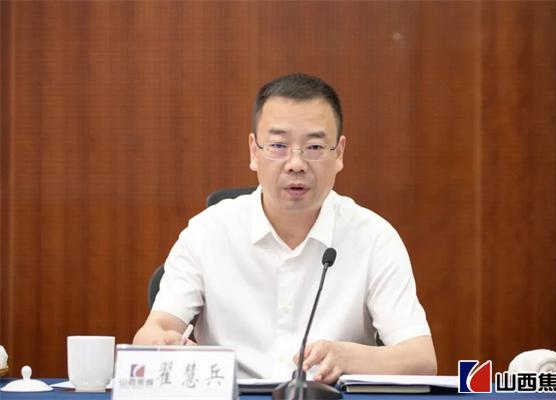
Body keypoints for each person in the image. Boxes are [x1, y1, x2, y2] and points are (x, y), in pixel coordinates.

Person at [133, 73, 437, 383]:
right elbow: (154, 330)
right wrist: (159, 342)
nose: (296, 164)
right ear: (254, 151)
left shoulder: (373, 237)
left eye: (314, 147)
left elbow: (422, 359)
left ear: (339, 154)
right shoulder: (207, 232)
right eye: (278, 145)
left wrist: (349, 357)